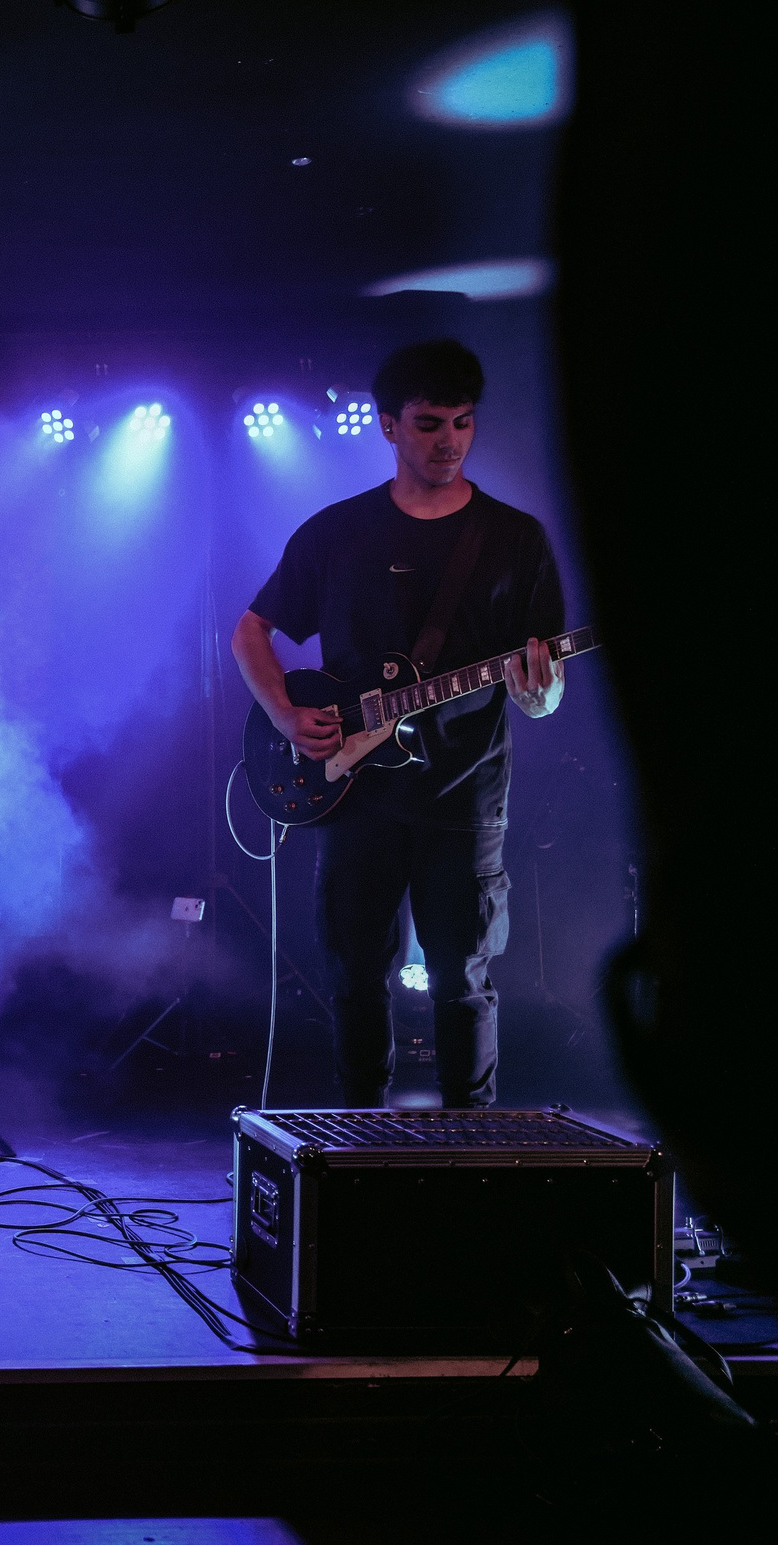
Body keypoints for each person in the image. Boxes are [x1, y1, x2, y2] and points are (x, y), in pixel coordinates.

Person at [231, 339, 565, 1108]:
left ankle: (468, 1144)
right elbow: (251, 630)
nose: (448, 440)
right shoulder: (337, 533)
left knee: (463, 981)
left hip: (466, 796)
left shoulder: (515, 540)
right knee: (354, 977)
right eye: (427, 425)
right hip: (357, 797)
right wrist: (286, 715)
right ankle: (357, 1142)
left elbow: (542, 692)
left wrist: (537, 691)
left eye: (462, 423)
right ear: (387, 426)